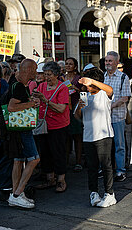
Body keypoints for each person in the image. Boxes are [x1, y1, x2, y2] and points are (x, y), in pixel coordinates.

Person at [74, 68, 116, 208]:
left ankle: (110, 194)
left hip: (104, 135)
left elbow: (110, 89)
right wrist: (79, 108)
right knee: (91, 167)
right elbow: (77, 116)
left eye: (88, 83)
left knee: (106, 166)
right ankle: (94, 192)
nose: (86, 86)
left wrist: (92, 81)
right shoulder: (84, 95)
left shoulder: (104, 94)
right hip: (88, 136)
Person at [7, 59, 40, 209]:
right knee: (34, 159)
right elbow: (12, 107)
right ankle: (17, 194)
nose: (36, 72)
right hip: (22, 129)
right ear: (28, 70)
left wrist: (29, 101)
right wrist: (32, 103)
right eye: (35, 69)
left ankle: (16, 194)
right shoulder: (19, 86)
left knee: (18, 160)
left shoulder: (16, 83)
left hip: (16, 128)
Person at [33, 61, 70, 193]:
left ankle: (61, 180)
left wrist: (45, 101)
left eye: (49, 74)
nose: (47, 77)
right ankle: (49, 178)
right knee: (45, 152)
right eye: (45, 74)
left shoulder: (62, 88)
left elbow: (61, 108)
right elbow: (36, 101)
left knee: (58, 152)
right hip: (44, 125)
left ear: (56, 75)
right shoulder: (41, 86)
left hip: (58, 125)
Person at [103, 51, 131, 182]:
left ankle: (120, 170)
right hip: (104, 117)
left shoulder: (123, 77)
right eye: (106, 61)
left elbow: (125, 97)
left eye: (110, 61)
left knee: (119, 144)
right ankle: (107, 169)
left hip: (117, 116)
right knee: (105, 145)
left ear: (116, 62)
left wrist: (111, 105)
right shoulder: (103, 76)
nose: (107, 63)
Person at [64, 57, 83, 172]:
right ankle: (65, 161)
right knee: (66, 137)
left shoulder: (79, 79)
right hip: (64, 109)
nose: (68, 66)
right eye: (66, 64)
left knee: (77, 136)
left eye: (70, 64)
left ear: (75, 66)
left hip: (76, 110)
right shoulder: (61, 78)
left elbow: (85, 93)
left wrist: (76, 88)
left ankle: (78, 161)